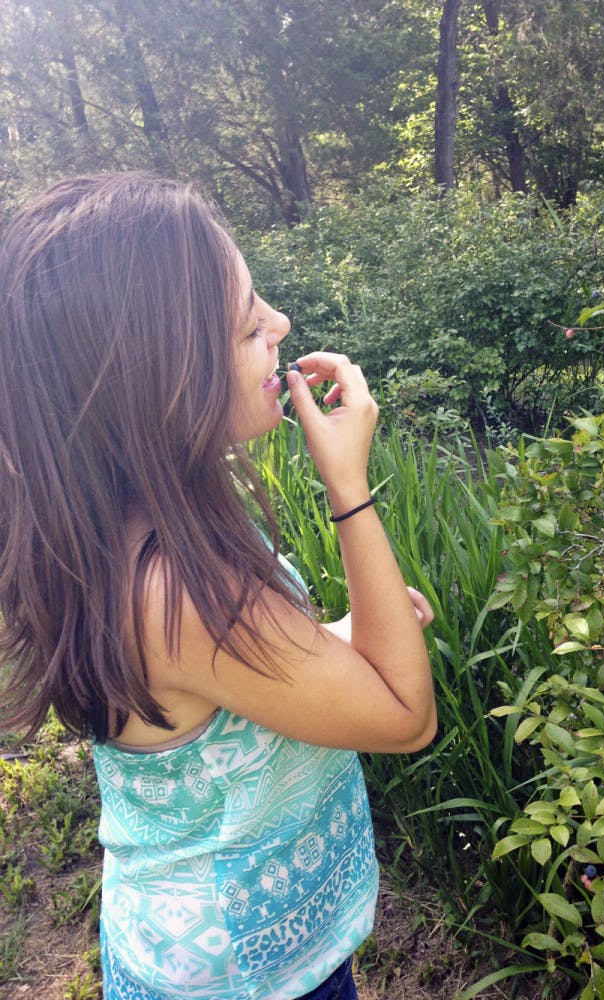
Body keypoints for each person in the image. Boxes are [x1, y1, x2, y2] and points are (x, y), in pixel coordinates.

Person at [0, 173, 437, 1000]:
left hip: (250, 943)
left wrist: (337, 643)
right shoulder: (174, 593)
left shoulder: (134, 521)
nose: (279, 325)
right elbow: (405, 716)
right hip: (245, 973)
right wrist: (348, 485)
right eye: (246, 325)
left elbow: (227, 692)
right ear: (158, 381)